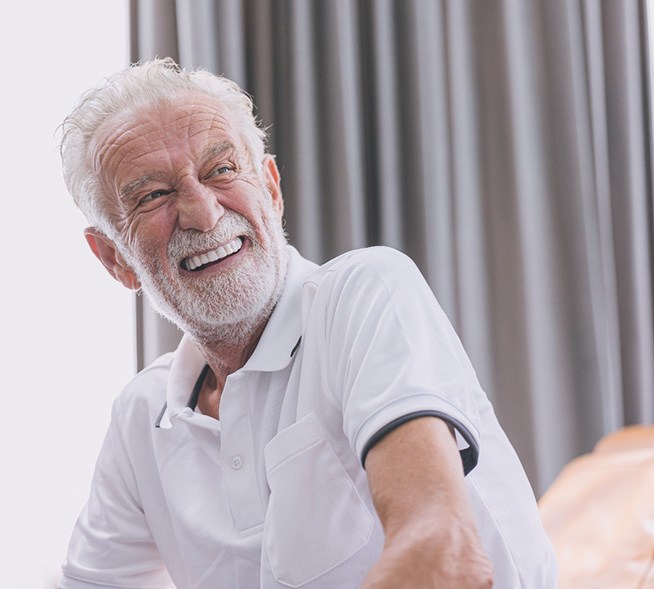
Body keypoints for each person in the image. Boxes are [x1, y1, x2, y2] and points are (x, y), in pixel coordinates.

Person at [57, 57, 557, 589]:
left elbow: (442, 554)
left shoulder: (364, 293)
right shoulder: (143, 418)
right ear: (114, 258)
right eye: (153, 195)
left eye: (221, 170)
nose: (202, 213)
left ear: (271, 188)